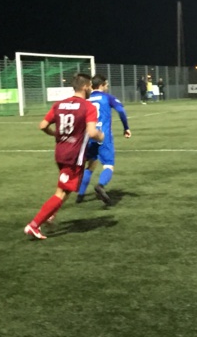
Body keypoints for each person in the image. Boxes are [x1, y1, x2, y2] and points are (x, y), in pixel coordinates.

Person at [24, 73, 104, 240]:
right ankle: (34, 225)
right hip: (73, 156)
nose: (91, 89)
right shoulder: (87, 107)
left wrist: (55, 134)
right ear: (85, 87)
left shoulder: (59, 104)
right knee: (61, 192)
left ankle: (50, 214)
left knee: (66, 188)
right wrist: (100, 136)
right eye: (90, 86)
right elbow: (92, 132)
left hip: (60, 152)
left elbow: (42, 125)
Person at [76, 74, 132, 205]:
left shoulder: (86, 99)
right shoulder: (107, 97)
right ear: (101, 85)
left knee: (91, 164)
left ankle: (80, 195)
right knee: (108, 165)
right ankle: (100, 185)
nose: (107, 87)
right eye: (106, 84)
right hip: (103, 135)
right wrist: (126, 127)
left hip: (89, 135)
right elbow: (121, 111)